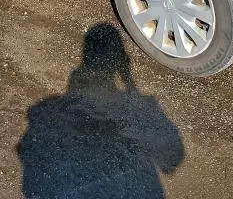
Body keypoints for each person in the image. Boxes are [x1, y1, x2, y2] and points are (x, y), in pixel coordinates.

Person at [17, 23, 184, 198]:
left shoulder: (46, 110)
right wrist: (129, 82)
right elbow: (173, 160)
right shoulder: (141, 107)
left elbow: (27, 153)